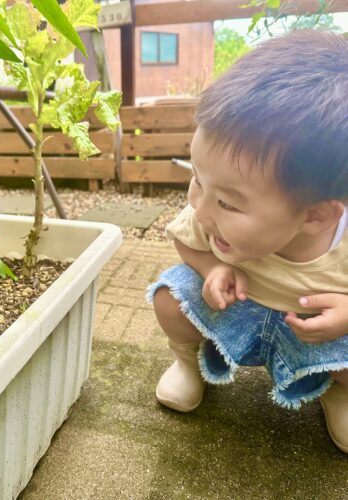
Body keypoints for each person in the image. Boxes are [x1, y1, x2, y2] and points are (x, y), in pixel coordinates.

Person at [146, 30, 348, 454]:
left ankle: (338, 392)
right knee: (170, 297)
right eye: (197, 180)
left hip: (310, 332)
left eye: (227, 203)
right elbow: (188, 239)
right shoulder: (207, 213)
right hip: (234, 309)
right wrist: (212, 267)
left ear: (314, 215)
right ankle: (187, 364)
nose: (201, 209)